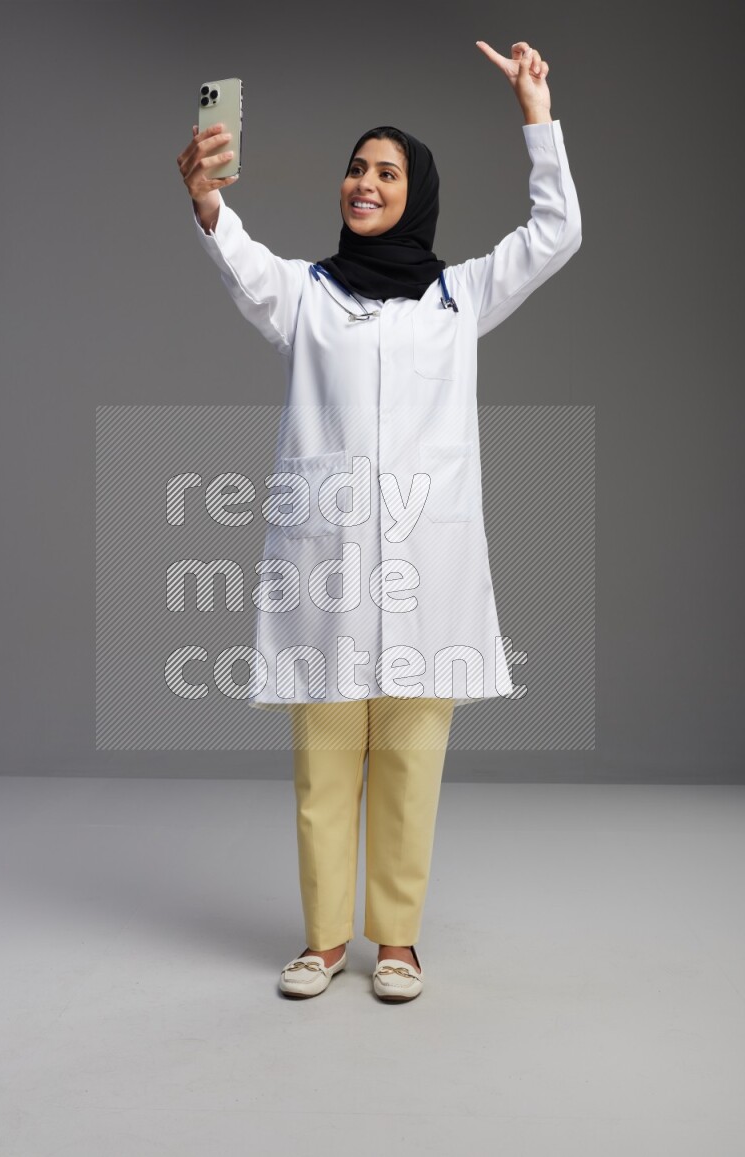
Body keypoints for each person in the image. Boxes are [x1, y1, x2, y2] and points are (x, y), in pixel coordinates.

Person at [177, 39, 581, 1001]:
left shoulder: (458, 297)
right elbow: (240, 260)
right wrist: (207, 202)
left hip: (425, 574)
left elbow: (556, 231)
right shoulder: (305, 296)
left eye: (387, 172)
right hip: (325, 571)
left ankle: (395, 941)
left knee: (410, 761)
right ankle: (323, 940)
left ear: (418, 193)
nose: (364, 182)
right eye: (357, 167)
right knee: (324, 769)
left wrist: (537, 114)